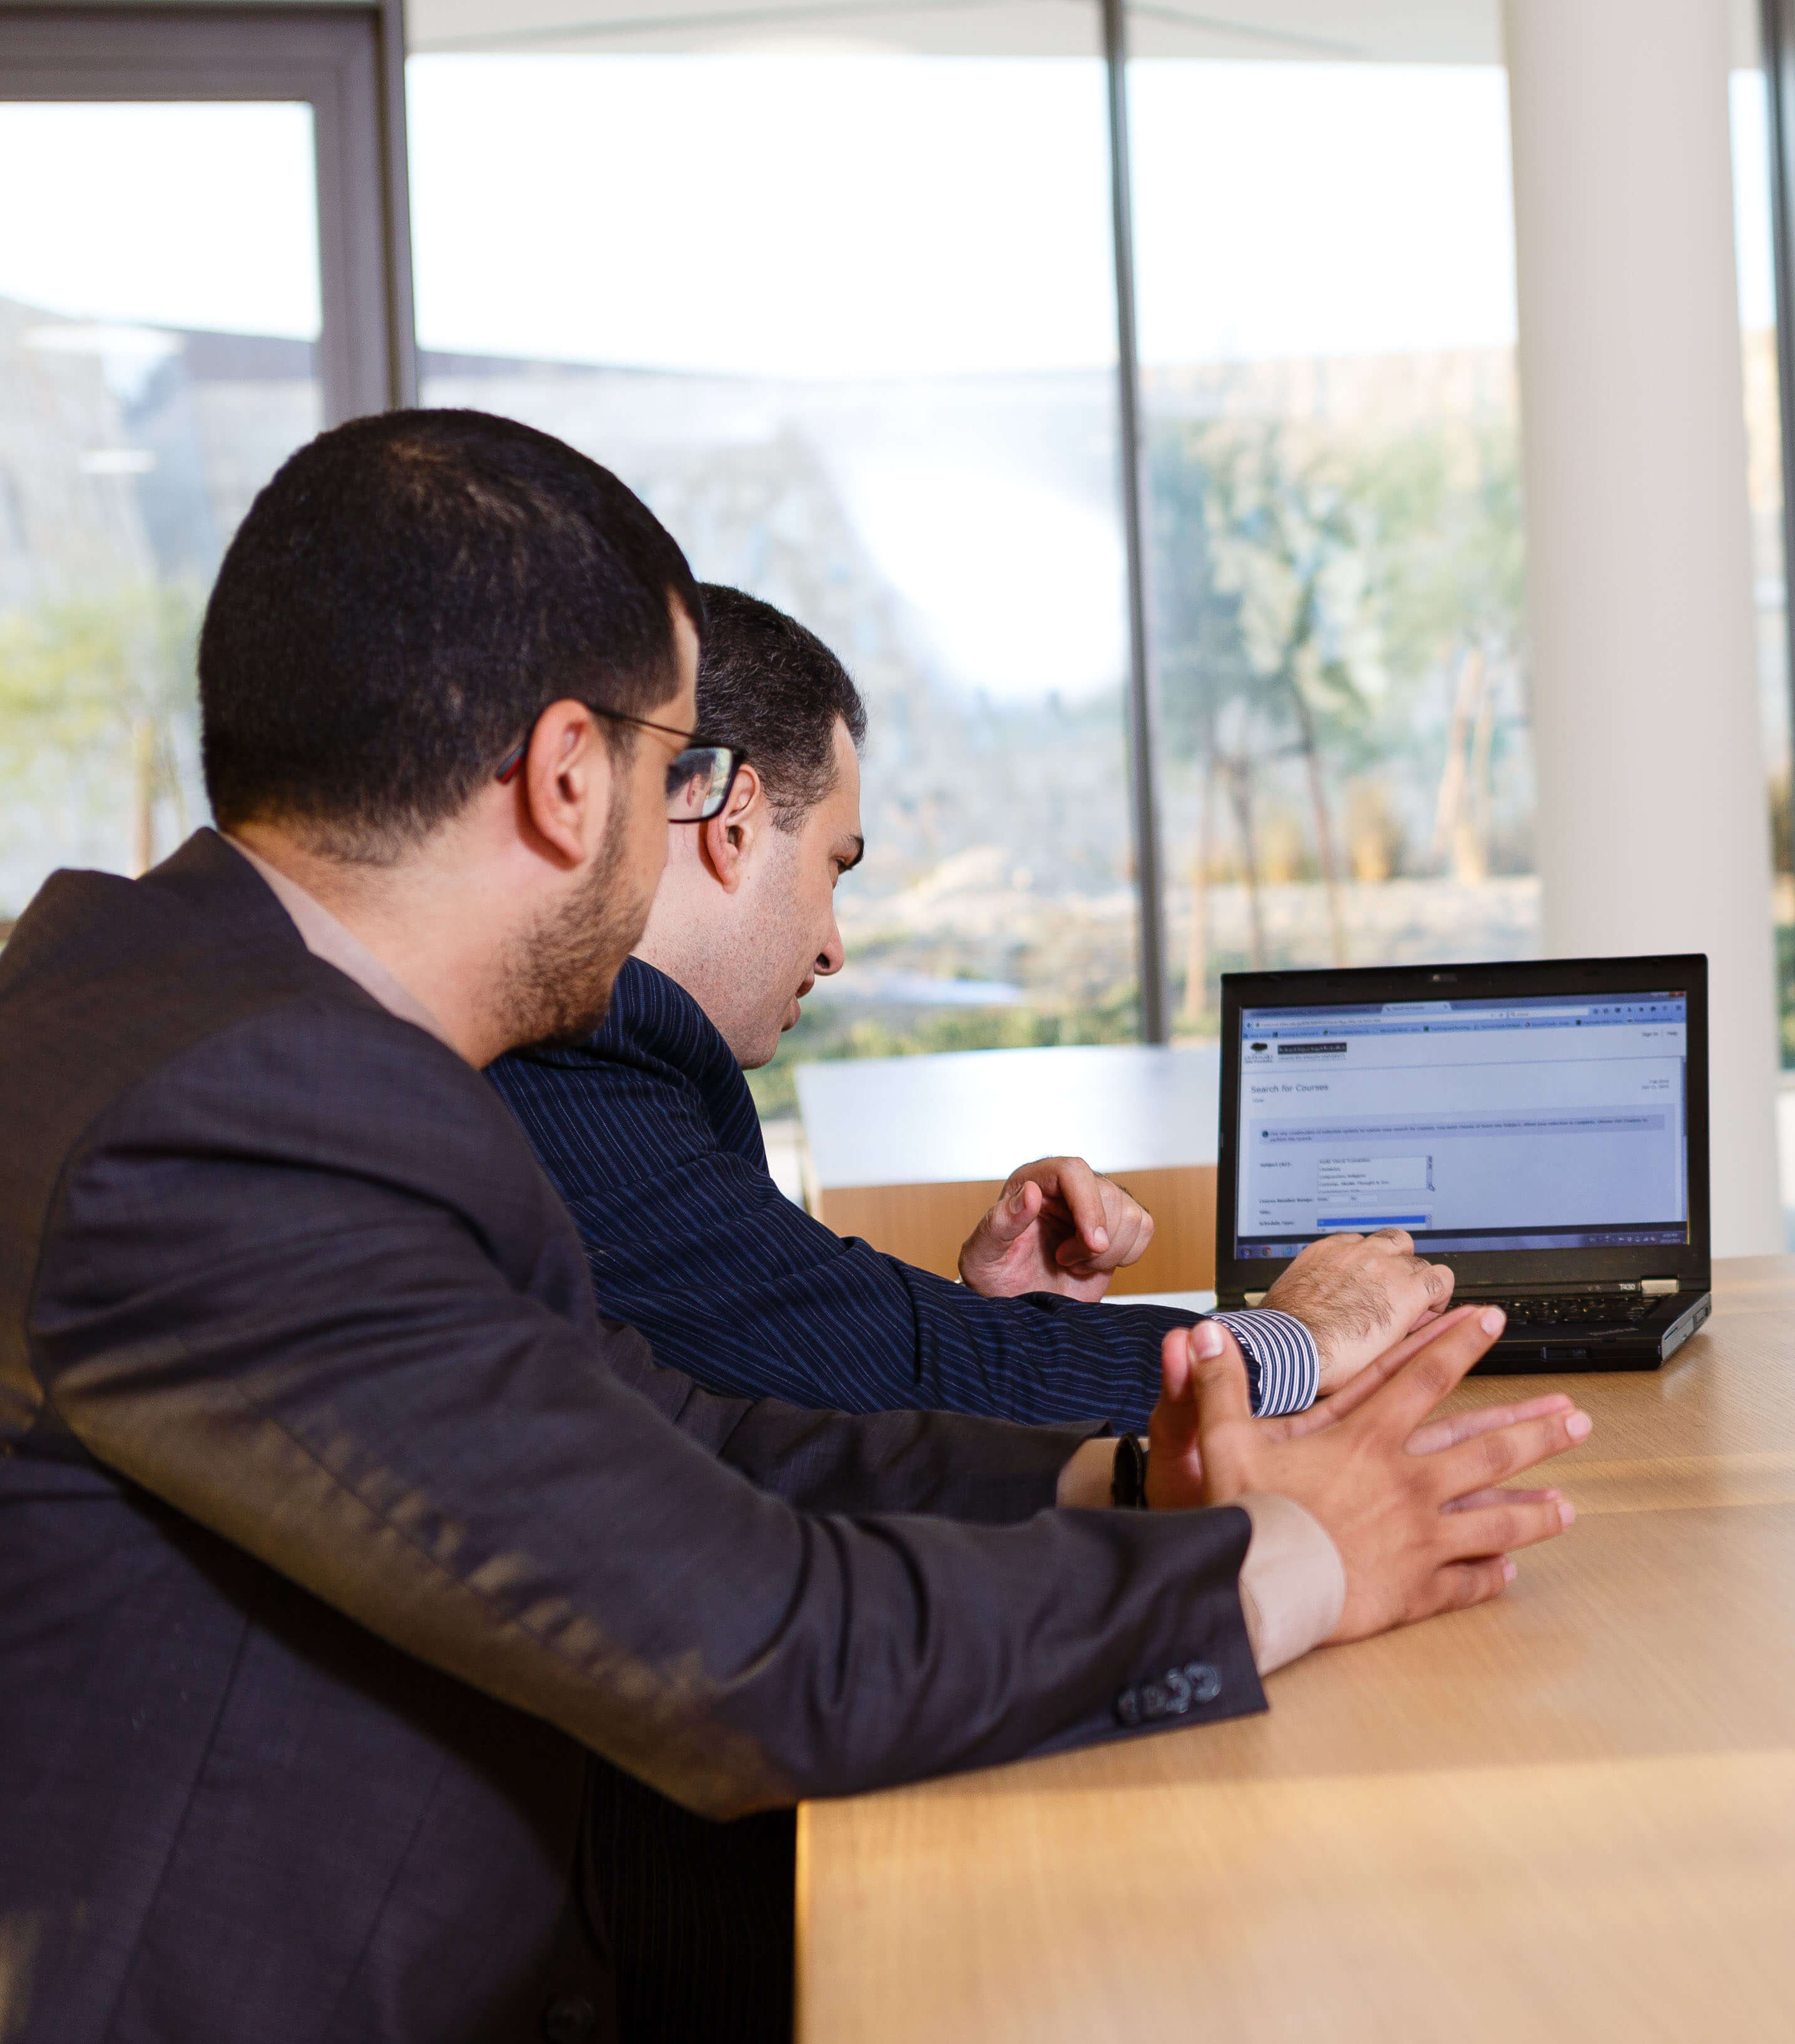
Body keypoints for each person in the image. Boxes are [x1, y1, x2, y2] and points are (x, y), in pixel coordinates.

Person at [0, 409, 1590, 2042]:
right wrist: (1311, 1555)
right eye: (673, 764)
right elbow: (759, 1654)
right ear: (566, 778)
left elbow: (676, 1434)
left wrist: (1125, 1475)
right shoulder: (249, 1115)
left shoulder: (189, 1019)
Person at [489, 583, 1435, 1430]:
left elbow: (777, 1361)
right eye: (835, 865)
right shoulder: (571, 1064)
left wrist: (986, 1316)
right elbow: (866, 1359)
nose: (833, 944)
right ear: (734, 822)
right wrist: (1292, 1339)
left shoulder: (620, 1061)